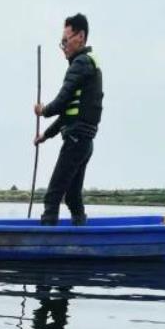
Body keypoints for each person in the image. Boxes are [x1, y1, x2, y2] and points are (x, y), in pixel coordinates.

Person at [33, 13, 103, 226]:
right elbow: (68, 115)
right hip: (84, 142)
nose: (63, 46)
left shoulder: (81, 63)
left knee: (52, 195)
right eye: (61, 42)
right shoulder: (86, 64)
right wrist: (45, 135)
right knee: (72, 196)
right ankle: (82, 235)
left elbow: (62, 102)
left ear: (80, 37)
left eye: (66, 40)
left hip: (76, 140)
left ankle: (46, 242)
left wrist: (43, 111)